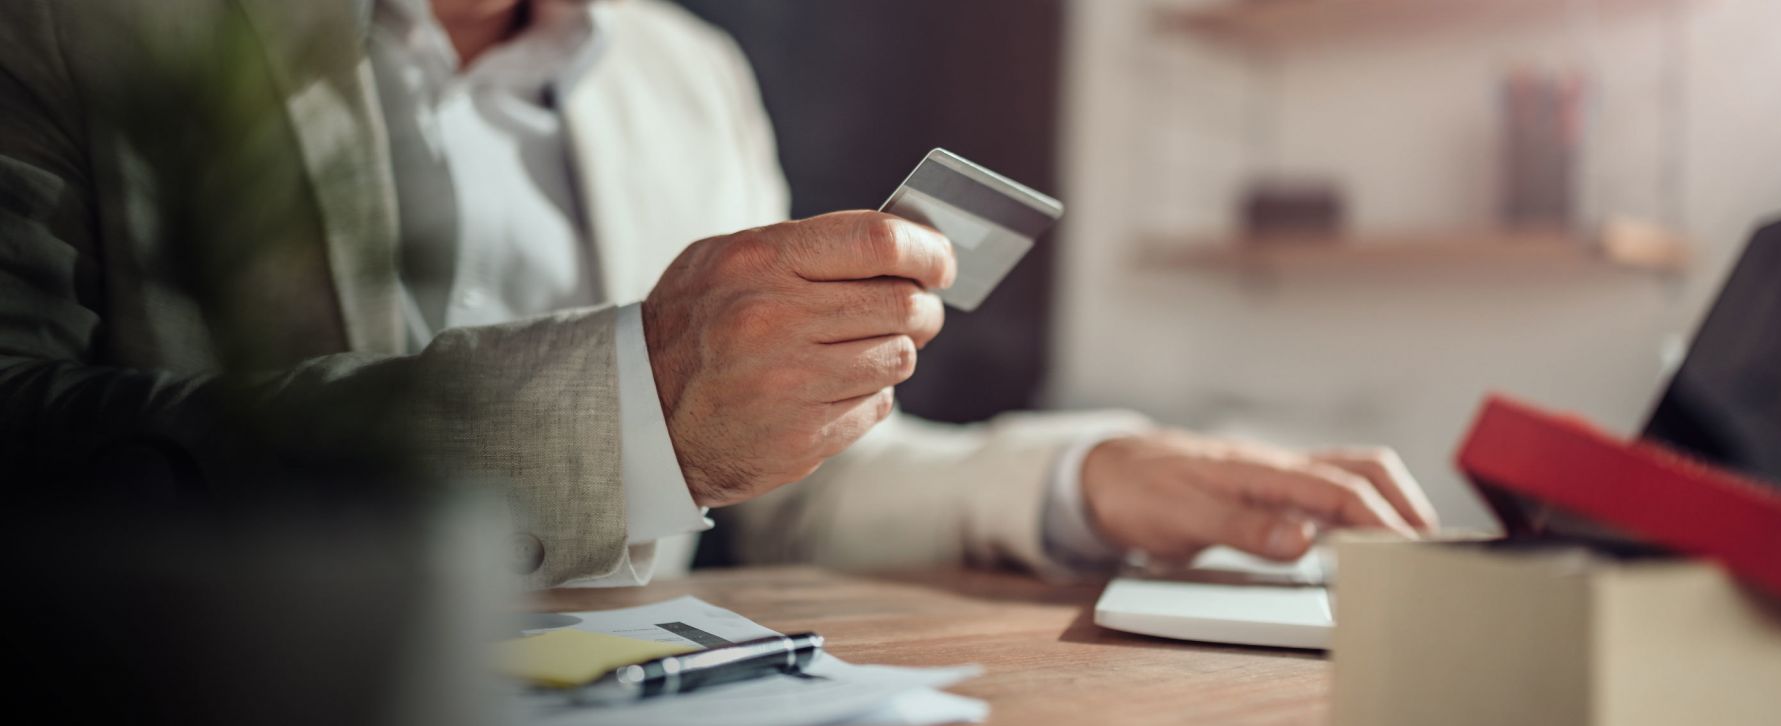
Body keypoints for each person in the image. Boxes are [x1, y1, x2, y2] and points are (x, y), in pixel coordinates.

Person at [0, 0, 1437, 588]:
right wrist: (634, 400)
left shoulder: (690, 73)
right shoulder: (76, 29)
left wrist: (1087, 476)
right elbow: (31, 447)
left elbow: (784, 484)